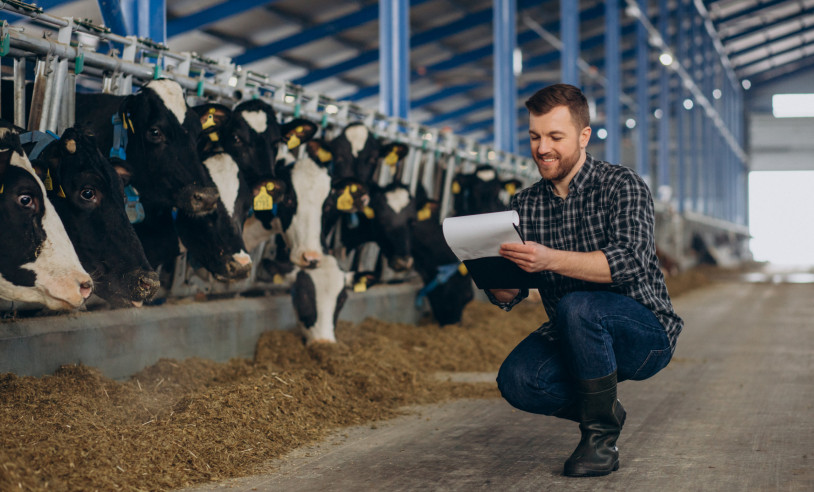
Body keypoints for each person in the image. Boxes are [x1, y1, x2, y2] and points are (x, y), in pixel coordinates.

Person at [486, 83, 683, 477]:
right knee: (518, 380)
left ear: (583, 136)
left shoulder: (622, 185)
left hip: (643, 334)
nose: (543, 148)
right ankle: (604, 406)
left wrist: (549, 259)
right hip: (573, 331)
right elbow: (514, 291)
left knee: (579, 305)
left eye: (555, 137)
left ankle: (599, 440)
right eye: (535, 136)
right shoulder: (524, 205)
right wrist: (495, 280)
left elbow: (627, 261)